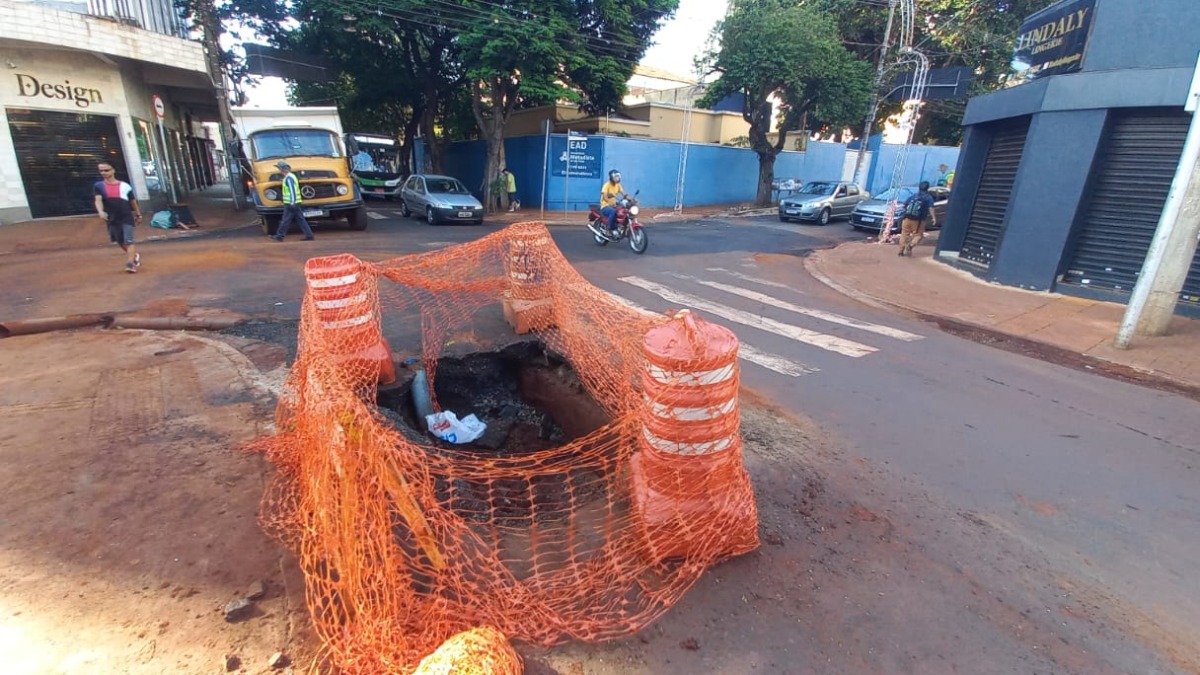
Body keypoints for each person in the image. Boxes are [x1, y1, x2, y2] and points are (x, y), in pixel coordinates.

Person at [94, 162, 142, 273]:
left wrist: (138, 214)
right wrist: (100, 211)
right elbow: (98, 200)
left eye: (106, 170)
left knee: (129, 240)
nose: (104, 173)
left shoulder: (125, 186)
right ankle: (135, 256)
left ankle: (130, 264)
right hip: (112, 217)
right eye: (101, 171)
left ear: (113, 170)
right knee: (119, 240)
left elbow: (133, 201)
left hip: (126, 216)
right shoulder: (99, 186)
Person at [270, 161, 314, 241]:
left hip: (291, 203)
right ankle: (309, 235)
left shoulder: (288, 178)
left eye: (279, 168)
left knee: (285, 220)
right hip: (295, 202)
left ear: (282, 169)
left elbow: (292, 190)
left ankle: (279, 236)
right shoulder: (291, 176)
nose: (279, 170)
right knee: (300, 219)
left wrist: (292, 202)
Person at [897, 181, 936, 257]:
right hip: (918, 220)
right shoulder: (928, 197)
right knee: (919, 235)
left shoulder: (913, 196)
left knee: (904, 234)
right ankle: (911, 245)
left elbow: (904, 205)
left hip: (907, 218)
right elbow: (931, 208)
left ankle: (900, 250)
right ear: (928, 188)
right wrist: (934, 218)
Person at [599, 169, 632, 236]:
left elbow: (624, 194)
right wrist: (609, 201)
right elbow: (605, 197)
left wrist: (632, 199)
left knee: (623, 210)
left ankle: (620, 226)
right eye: (615, 177)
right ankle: (608, 229)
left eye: (618, 177)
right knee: (613, 211)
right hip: (605, 206)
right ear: (611, 178)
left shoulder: (618, 185)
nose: (617, 179)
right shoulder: (606, 185)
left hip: (614, 205)